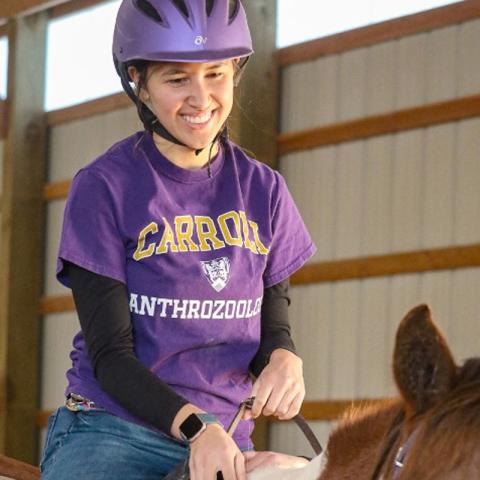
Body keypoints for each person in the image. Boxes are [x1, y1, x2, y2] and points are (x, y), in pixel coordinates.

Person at [40, 1, 316, 479]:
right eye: (176, 79)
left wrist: (284, 360)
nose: (201, 97)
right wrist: (197, 428)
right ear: (139, 84)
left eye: (216, 74)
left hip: (225, 442)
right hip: (114, 434)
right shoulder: (104, 187)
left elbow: (272, 327)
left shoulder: (263, 189)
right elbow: (110, 355)